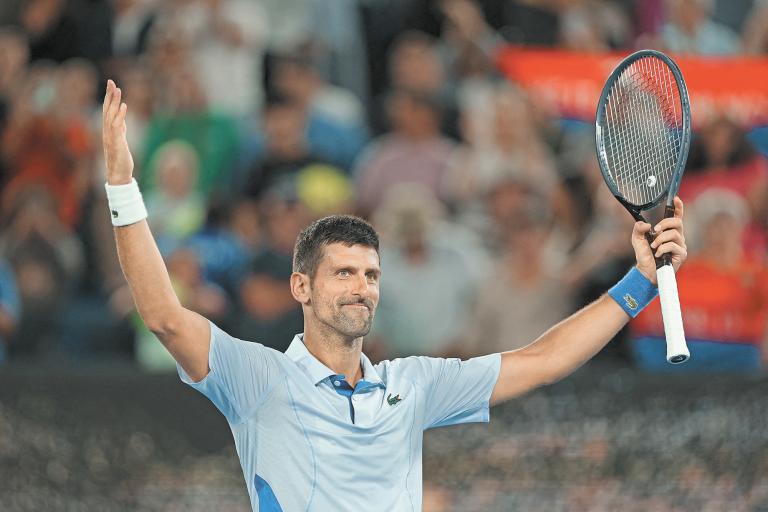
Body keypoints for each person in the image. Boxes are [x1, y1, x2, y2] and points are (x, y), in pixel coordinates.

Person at [102, 80, 688, 510]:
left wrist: (639, 282)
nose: (361, 289)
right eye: (344, 274)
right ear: (300, 286)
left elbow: (544, 360)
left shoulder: (412, 386)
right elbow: (163, 316)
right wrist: (124, 187)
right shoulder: (258, 379)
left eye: (371, 275)